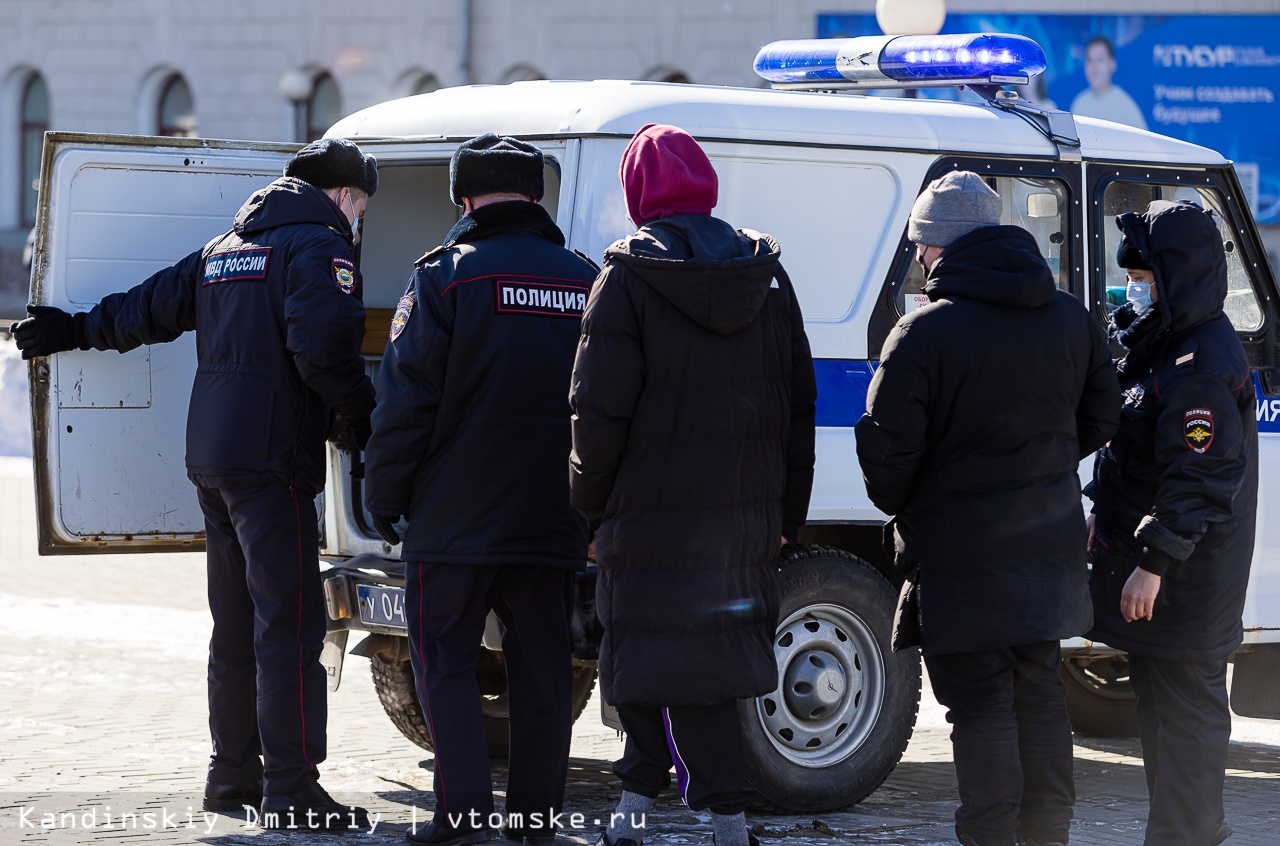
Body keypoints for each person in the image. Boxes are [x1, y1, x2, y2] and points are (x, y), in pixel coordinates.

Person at [9, 138, 378, 830]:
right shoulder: (318, 250)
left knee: (235, 627)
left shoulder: (224, 248)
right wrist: (361, 418)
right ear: (342, 196)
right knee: (291, 629)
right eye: (360, 203)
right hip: (273, 463)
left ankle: (231, 776)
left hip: (213, 457)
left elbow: (147, 308)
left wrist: (72, 330)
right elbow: (323, 350)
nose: (359, 218)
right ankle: (293, 789)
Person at [855, 171, 1121, 846]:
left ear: (940, 246)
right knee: (1039, 698)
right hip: (1048, 555)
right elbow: (1099, 421)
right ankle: (1046, 836)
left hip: (959, 562)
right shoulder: (1072, 320)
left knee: (979, 710)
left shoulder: (921, 335)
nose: (917, 256)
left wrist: (935, 491)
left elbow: (886, 472)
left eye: (921, 243)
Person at [569, 123, 817, 846]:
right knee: (708, 661)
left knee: (642, 650)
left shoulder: (626, 276)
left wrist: (588, 507)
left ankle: (673, 812)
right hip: (742, 515)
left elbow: (597, 410)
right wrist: (785, 515)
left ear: (637, 195)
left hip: (645, 514)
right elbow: (797, 403)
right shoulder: (766, 273)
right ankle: (683, 808)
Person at [362, 134, 597, 846]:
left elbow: (405, 402)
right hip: (552, 511)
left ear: (465, 198)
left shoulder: (443, 276)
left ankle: (462, 816)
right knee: (544, 673)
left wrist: (384, 498)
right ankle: (534, 822)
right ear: (536, 196)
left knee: (446, 665)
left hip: (454, 518)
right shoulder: (584, 278)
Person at [1086, 199, 1257, 846]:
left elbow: (1200, 477)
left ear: (1177, 278)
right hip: (1171, 580)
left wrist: (1153, 563)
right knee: (1164, 724)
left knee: (1185, 731)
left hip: (1187, 582)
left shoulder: (1200, 363)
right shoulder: (1167, 346)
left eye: (1148, 280)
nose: (1137, 290)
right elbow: (1134, 455)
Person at [1069, 35, 1148, 130]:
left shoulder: (1125, 106)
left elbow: (1144, 142)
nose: (1094, 68)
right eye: (1090, 60)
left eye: (1100, 60)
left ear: (1112, 65)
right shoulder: (1079, 104)